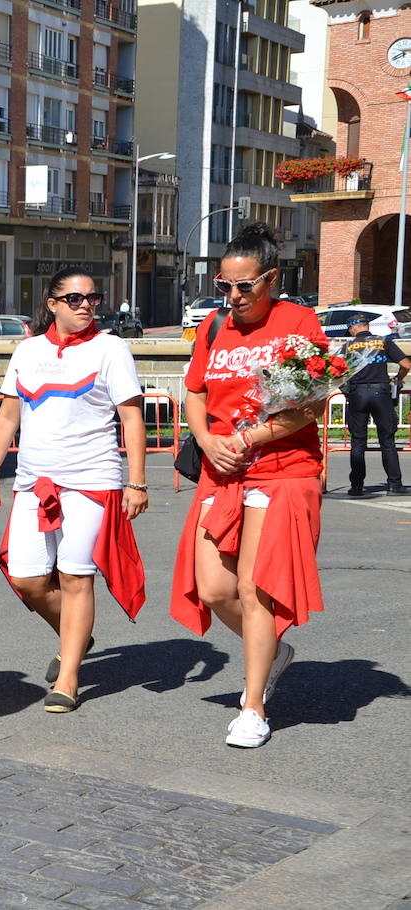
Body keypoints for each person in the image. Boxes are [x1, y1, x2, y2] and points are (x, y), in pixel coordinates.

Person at [170, 222, 327, 749]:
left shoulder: (299, 323)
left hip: (283, 469)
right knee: (215, 588)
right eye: (224, 286)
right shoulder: (215, 327)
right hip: (223, 470)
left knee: (253, 588)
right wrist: (207, 439)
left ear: (271, 279)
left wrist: (248, 435)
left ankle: (254, 705)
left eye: (245, 286)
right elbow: (194, 392)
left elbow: (310, 403)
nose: (233, 297)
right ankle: (275, 651)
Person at [0, 266, 149, 713]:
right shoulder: (27, 350)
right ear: (53, 304)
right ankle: (77, 635)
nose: (86, 307)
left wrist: (136, 480)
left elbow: (132, 417)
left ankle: (69, 677)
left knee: (75, 576)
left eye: (93, 299)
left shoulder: (110, 348)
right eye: (75, 299)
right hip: (34, 481)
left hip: (92, 480)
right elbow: (8, 416)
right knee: (28, 579)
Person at [339, 314, 410, 496]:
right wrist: (397, 380)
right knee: (387, 441)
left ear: (354, 328)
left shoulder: (348, 346)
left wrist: (344, 388)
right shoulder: (383, 341)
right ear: (366, 326)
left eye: (350, 329)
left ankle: (356, 486)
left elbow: (333, 371)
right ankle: (394, 484)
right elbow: (406, 364)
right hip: (381, 393)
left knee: (358, 442)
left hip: (357, 394)